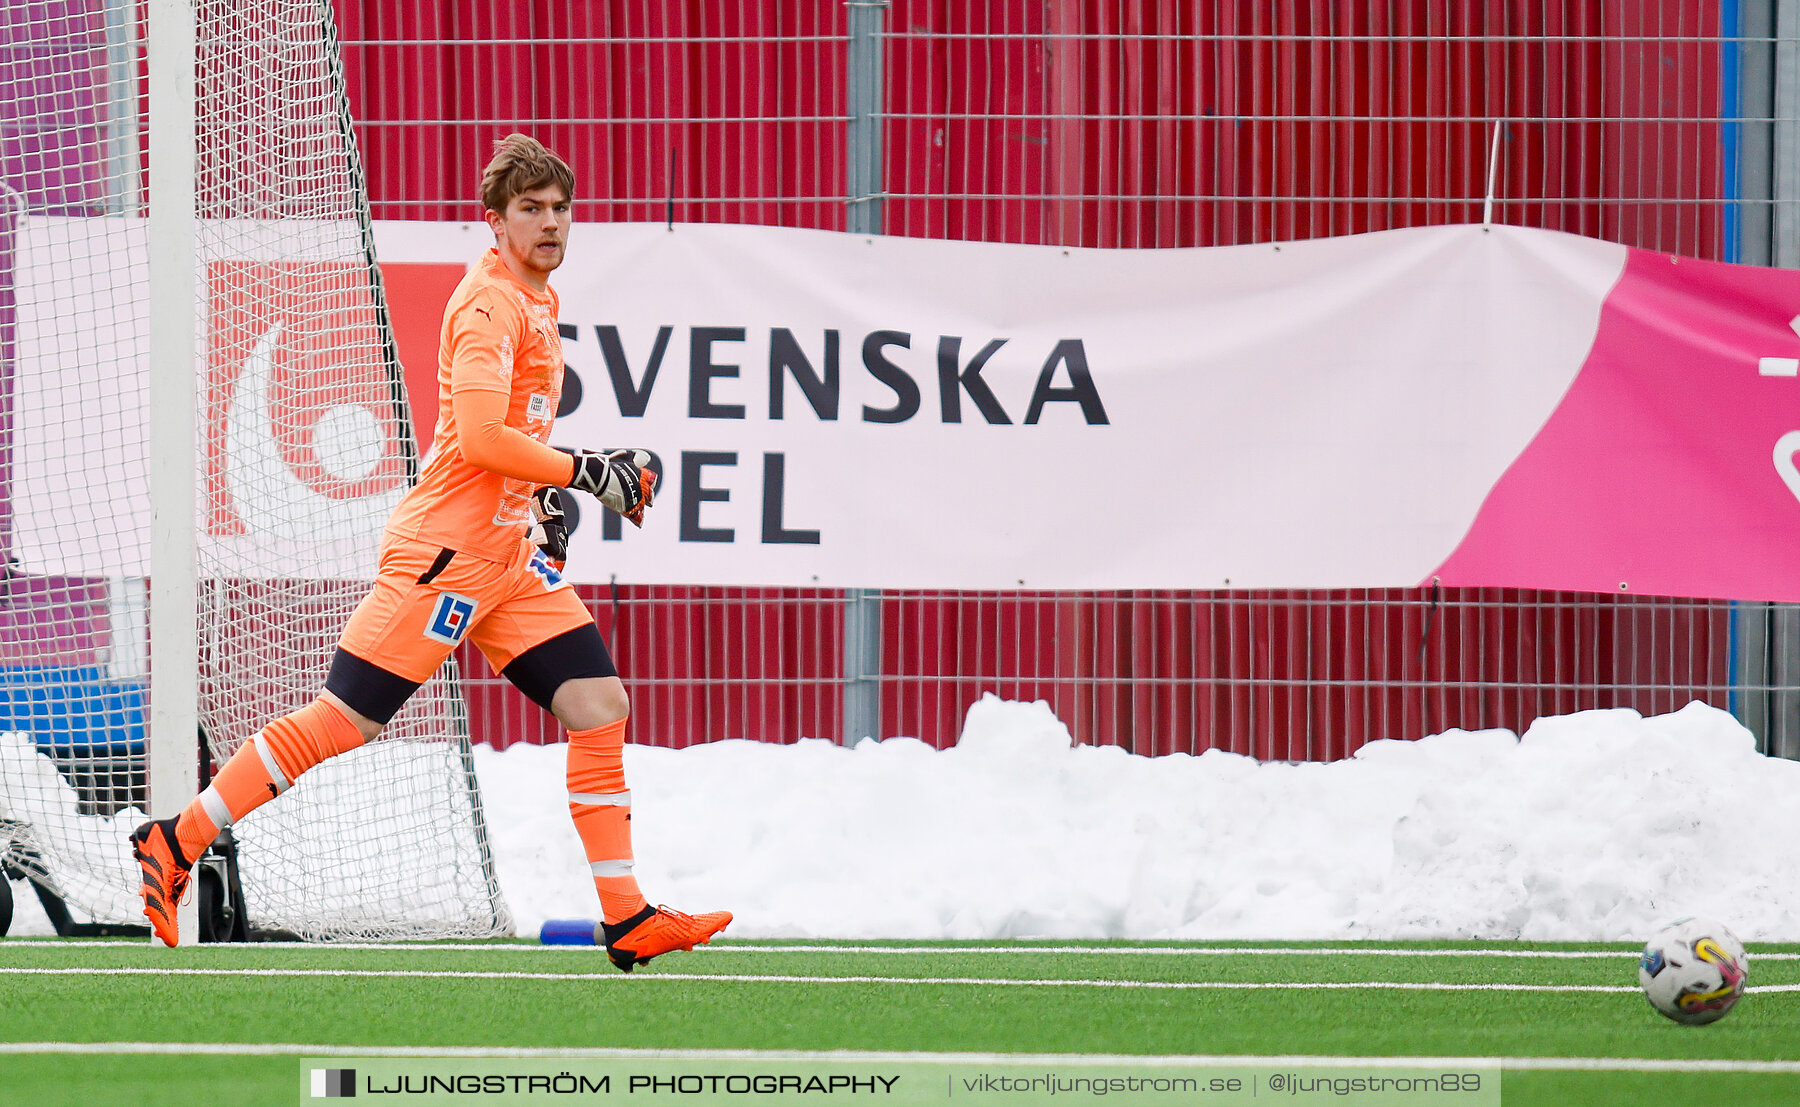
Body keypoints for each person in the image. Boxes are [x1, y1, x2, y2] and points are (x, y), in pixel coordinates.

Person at [130, 134, 730, 970]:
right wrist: (588, 471)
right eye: (531, 210)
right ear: (496, 223)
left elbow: (503, 439)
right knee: (347, 718)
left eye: (560, 208)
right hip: (443, 556)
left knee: (599, 704)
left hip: (507, 559)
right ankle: (177, 836)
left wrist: (547, 494)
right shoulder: (489, 305)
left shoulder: (538, 301)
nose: (551, 223)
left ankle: (627, 920)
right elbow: (482, 438)